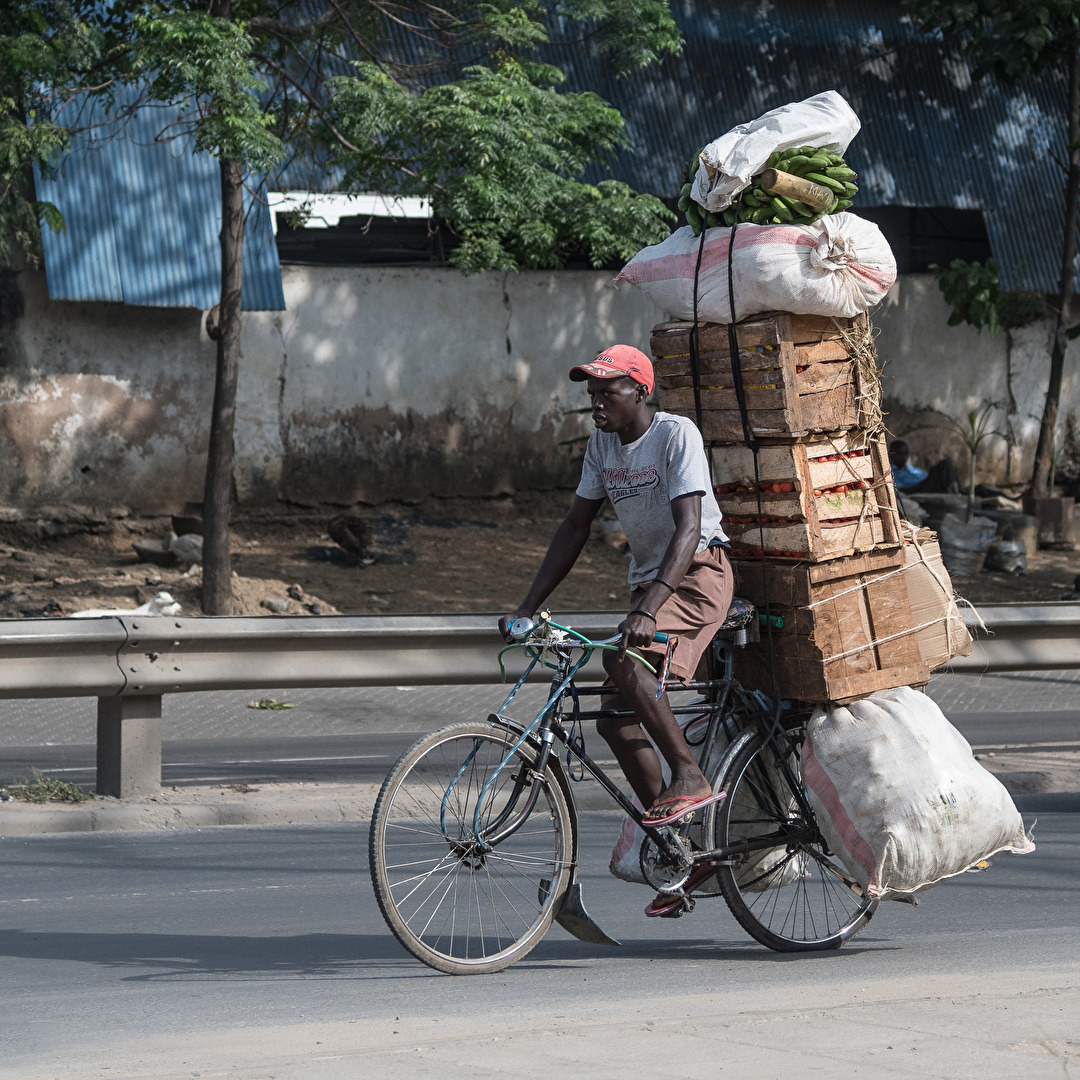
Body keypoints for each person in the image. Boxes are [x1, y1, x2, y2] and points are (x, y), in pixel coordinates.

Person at [499, 344, 734, 917]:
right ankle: (678, 851)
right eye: (592, 393)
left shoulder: (677, 436)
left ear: (641, 392)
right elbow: (575, 526)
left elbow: (687, 528)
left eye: (609, 391)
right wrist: (528, 605)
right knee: (611, 717)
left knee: (624, 664)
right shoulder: (602, 444)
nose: (596, 402)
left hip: (699, 573)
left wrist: (650, 608)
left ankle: (690, 775)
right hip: (652, 586)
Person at [888, 439, 960, 495]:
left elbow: (927, 477)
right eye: (900, 454)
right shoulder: (891, 472)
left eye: (906, 454)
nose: (904, 457)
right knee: (944, 464)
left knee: (946, 469)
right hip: (917, 489)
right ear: (891, 454)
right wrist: (922, 485)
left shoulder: (913, 469)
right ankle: (955, 493)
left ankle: (956, 492)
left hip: (929, 485)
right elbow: (902, 490)